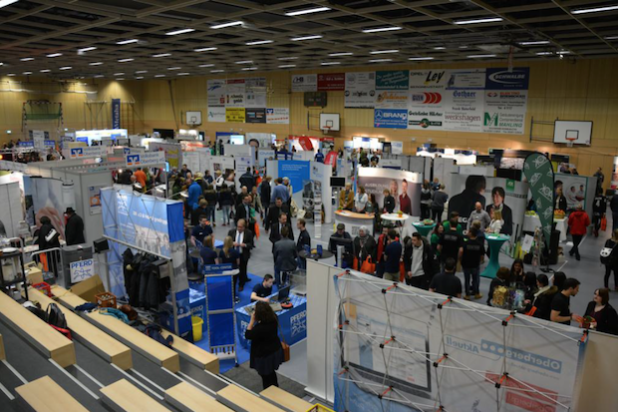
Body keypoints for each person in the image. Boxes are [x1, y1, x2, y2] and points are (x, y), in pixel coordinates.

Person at [245, 302, 284, 389]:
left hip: (264, 356)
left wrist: (252, 321)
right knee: (271, 372)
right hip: (275, 350)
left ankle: (269, 393)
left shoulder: (259, 329)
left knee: (265, 376)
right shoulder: (274, 318)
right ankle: (276, 387)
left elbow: (248, 335)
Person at [228, 219, 254, 293]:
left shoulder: (249, 233)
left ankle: (241, 284)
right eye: (238, 227)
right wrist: (232, 243)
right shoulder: (231, 232)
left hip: (243, 254)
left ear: (244, 227)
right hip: (233, 255)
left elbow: (251, 244)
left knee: (243, 270)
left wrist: (244, 245)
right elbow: (227, 242)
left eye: (241, 227)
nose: (239, 228)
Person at [461, 224, 485, 300]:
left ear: (471, 233)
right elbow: (482, 256)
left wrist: (460, 260)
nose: (467, 232)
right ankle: (476, 293)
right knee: (476, 280)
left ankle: (467, 295)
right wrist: (479, 262)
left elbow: (461, 252)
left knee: (467, 280)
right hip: (475, 265)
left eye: (468, 231)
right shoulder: (480, 244)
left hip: (466, 264)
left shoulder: (465, 243)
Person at [218, 236, 241, 303]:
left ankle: (226, 297)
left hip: (225, 272)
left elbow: (220, 262)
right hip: (234, 271)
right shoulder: (235, 252)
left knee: (226, 284)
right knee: (233, 285)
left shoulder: (221, 252)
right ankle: (233, 298)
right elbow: (238, 262)